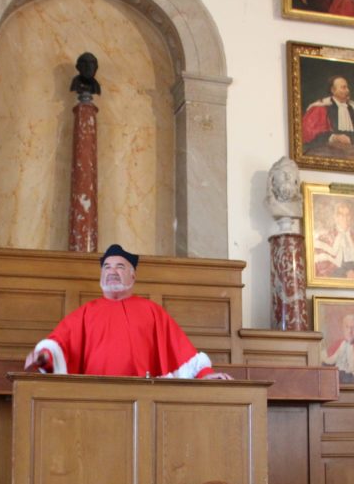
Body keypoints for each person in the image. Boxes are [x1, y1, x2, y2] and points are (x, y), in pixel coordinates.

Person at [24, 244, 232, 380]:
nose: (112, 271)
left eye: (120, 267)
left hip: (143, 398)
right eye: (106, 267)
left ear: (133, 276)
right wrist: (44, 356)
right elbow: (59, 344)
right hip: (94, 397)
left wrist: (206, 374)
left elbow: (182, 353)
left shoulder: (152, 311)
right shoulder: (86, 313)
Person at [301, 75, 354, 162]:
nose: (348, 90)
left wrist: (352, 140)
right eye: (343, 87)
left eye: (347, 87)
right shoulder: (321, 108)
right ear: (333, 90)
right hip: (328, 154)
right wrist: (334, 137)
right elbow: (309, 134)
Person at [313, 199, 354, 279]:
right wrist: (345, 274)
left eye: (348, 215)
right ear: (335, 217)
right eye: (341, 214)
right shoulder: (324, 239)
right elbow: (320, 266)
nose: (345, 218)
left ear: (351, 218)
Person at [264, 156, 302, 228]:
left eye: (291, 174)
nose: (287, 177)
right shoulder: (270, 204)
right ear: (273, 180)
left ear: (296, 180)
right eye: (283, 173)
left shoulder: (298, 206)